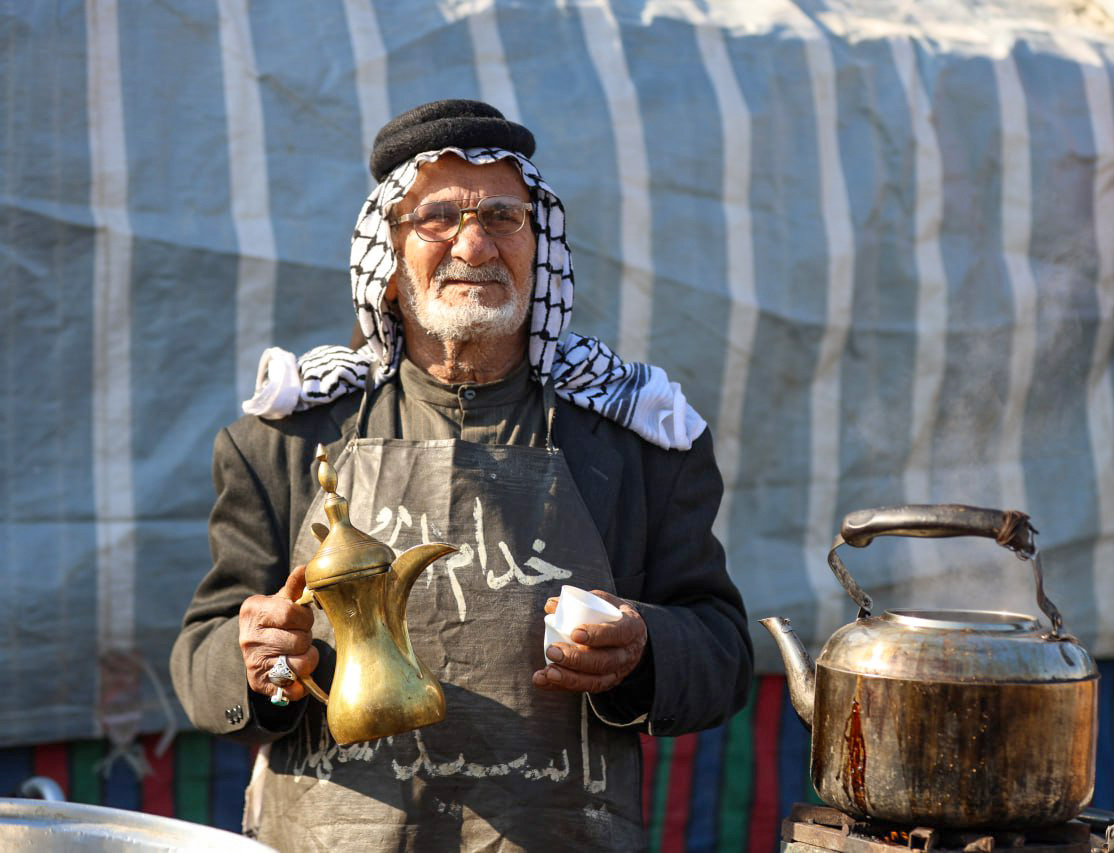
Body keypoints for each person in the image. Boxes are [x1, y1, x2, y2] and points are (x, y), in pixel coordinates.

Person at [169, 99, 753, 851]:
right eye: (437, 218)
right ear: (387, 258)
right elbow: (204, 651)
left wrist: (646, 648)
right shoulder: (283, 440)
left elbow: (722, 650)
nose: (474, 245)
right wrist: (256, 659)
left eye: (504, 219)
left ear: (539, 246)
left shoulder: (640, 441)